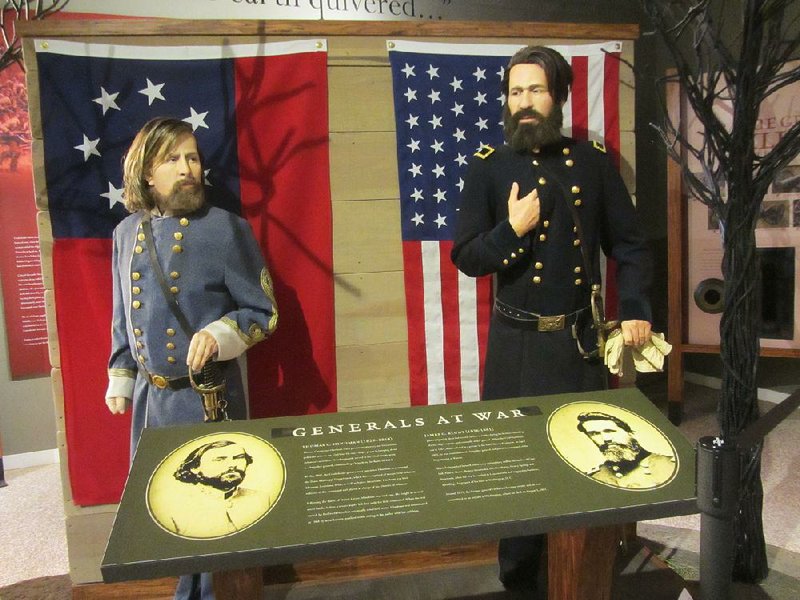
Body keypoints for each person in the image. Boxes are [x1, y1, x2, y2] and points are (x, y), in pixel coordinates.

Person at [451, 46, 653, 591]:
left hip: (578, 346)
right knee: (516, 473)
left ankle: (580, 576)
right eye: (515, 92)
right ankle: (518, 581)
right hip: (514, 347)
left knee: (583, 466)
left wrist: (634, 310)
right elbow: (466, 256)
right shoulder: (489, 167)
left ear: (558, 97)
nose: (524, 103)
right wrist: (510, 230)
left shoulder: (590, 162)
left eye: (536, 90)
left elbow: (631, 246)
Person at [105, 117, 278, 599]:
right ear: (146, 173)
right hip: (151, 400)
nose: (188, 169)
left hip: (208, 400)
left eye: (194, 158)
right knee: (170, 508)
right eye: (173, 159)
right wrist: (121, 374)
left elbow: (264, 312)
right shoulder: (125, 234)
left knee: (212, 513)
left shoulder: (226, 229)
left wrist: (221, 334)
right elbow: (122, 314)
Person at [155, 440, 271, 538]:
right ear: (194, 468)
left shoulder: (261, 498)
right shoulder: (173, 508)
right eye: (220, 459)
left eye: (238, 458)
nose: (232, 465)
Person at [577, 412, 676, 488]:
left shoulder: (668, 465)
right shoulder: (595, 477)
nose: (606, 439)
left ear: (630, 433)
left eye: (610, 431)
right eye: (594, 434)